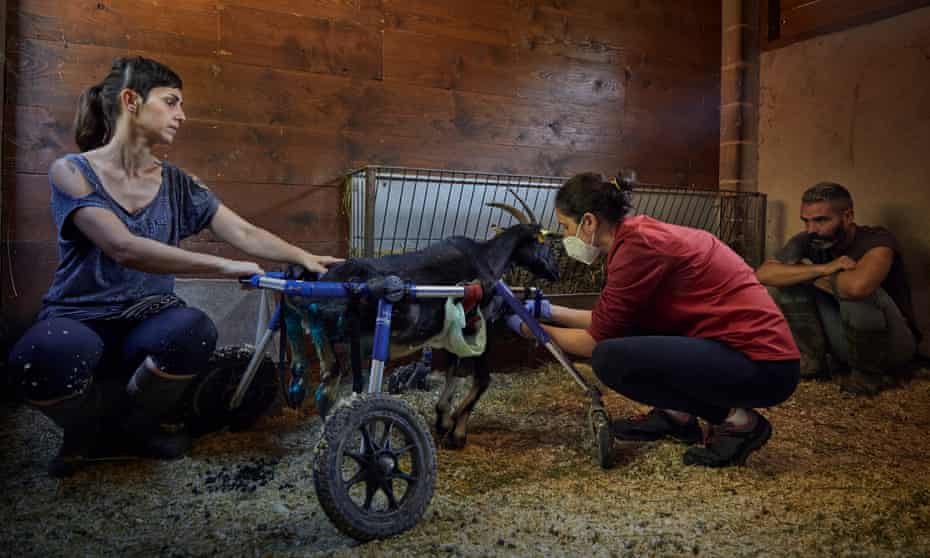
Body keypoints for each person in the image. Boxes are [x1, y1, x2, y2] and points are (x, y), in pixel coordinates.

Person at [5, 56, 342, 477]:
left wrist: (301, 256)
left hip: (148, 316)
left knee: (193, 330)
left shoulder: (180, 183)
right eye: (171, 101)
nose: (182, 115)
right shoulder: (71, 171)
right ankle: (85, 433)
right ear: (131, 100)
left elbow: (244, 232)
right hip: (80, 316)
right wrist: (223, 266)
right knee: (39, 356)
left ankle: (134, 427)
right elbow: (123, 247)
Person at [506, 171, 800, 467]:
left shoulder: (637, 249)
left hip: (765, 366)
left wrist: (530, 328)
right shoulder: (635, 236)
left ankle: (739, 423)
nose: (565, 237)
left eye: (565, 226)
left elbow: (595, 341)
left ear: (589, 221)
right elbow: (609, 320)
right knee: (627, 333)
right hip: (739, 352)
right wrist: (547, 310)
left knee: (610, 359)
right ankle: (676, 415)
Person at [756, 182, 918, 395]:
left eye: (821, 220)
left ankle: (867, 377)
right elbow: (763, 274)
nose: (811, 229)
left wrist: (807, 274)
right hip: (844, 342)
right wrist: (824, 269)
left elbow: (858, 287)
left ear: (848, 217)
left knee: (858, 293)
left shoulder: (877, 240)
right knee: (783, 285)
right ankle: (811, 362)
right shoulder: (808, 239)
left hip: (893, 346)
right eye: (806, 221)